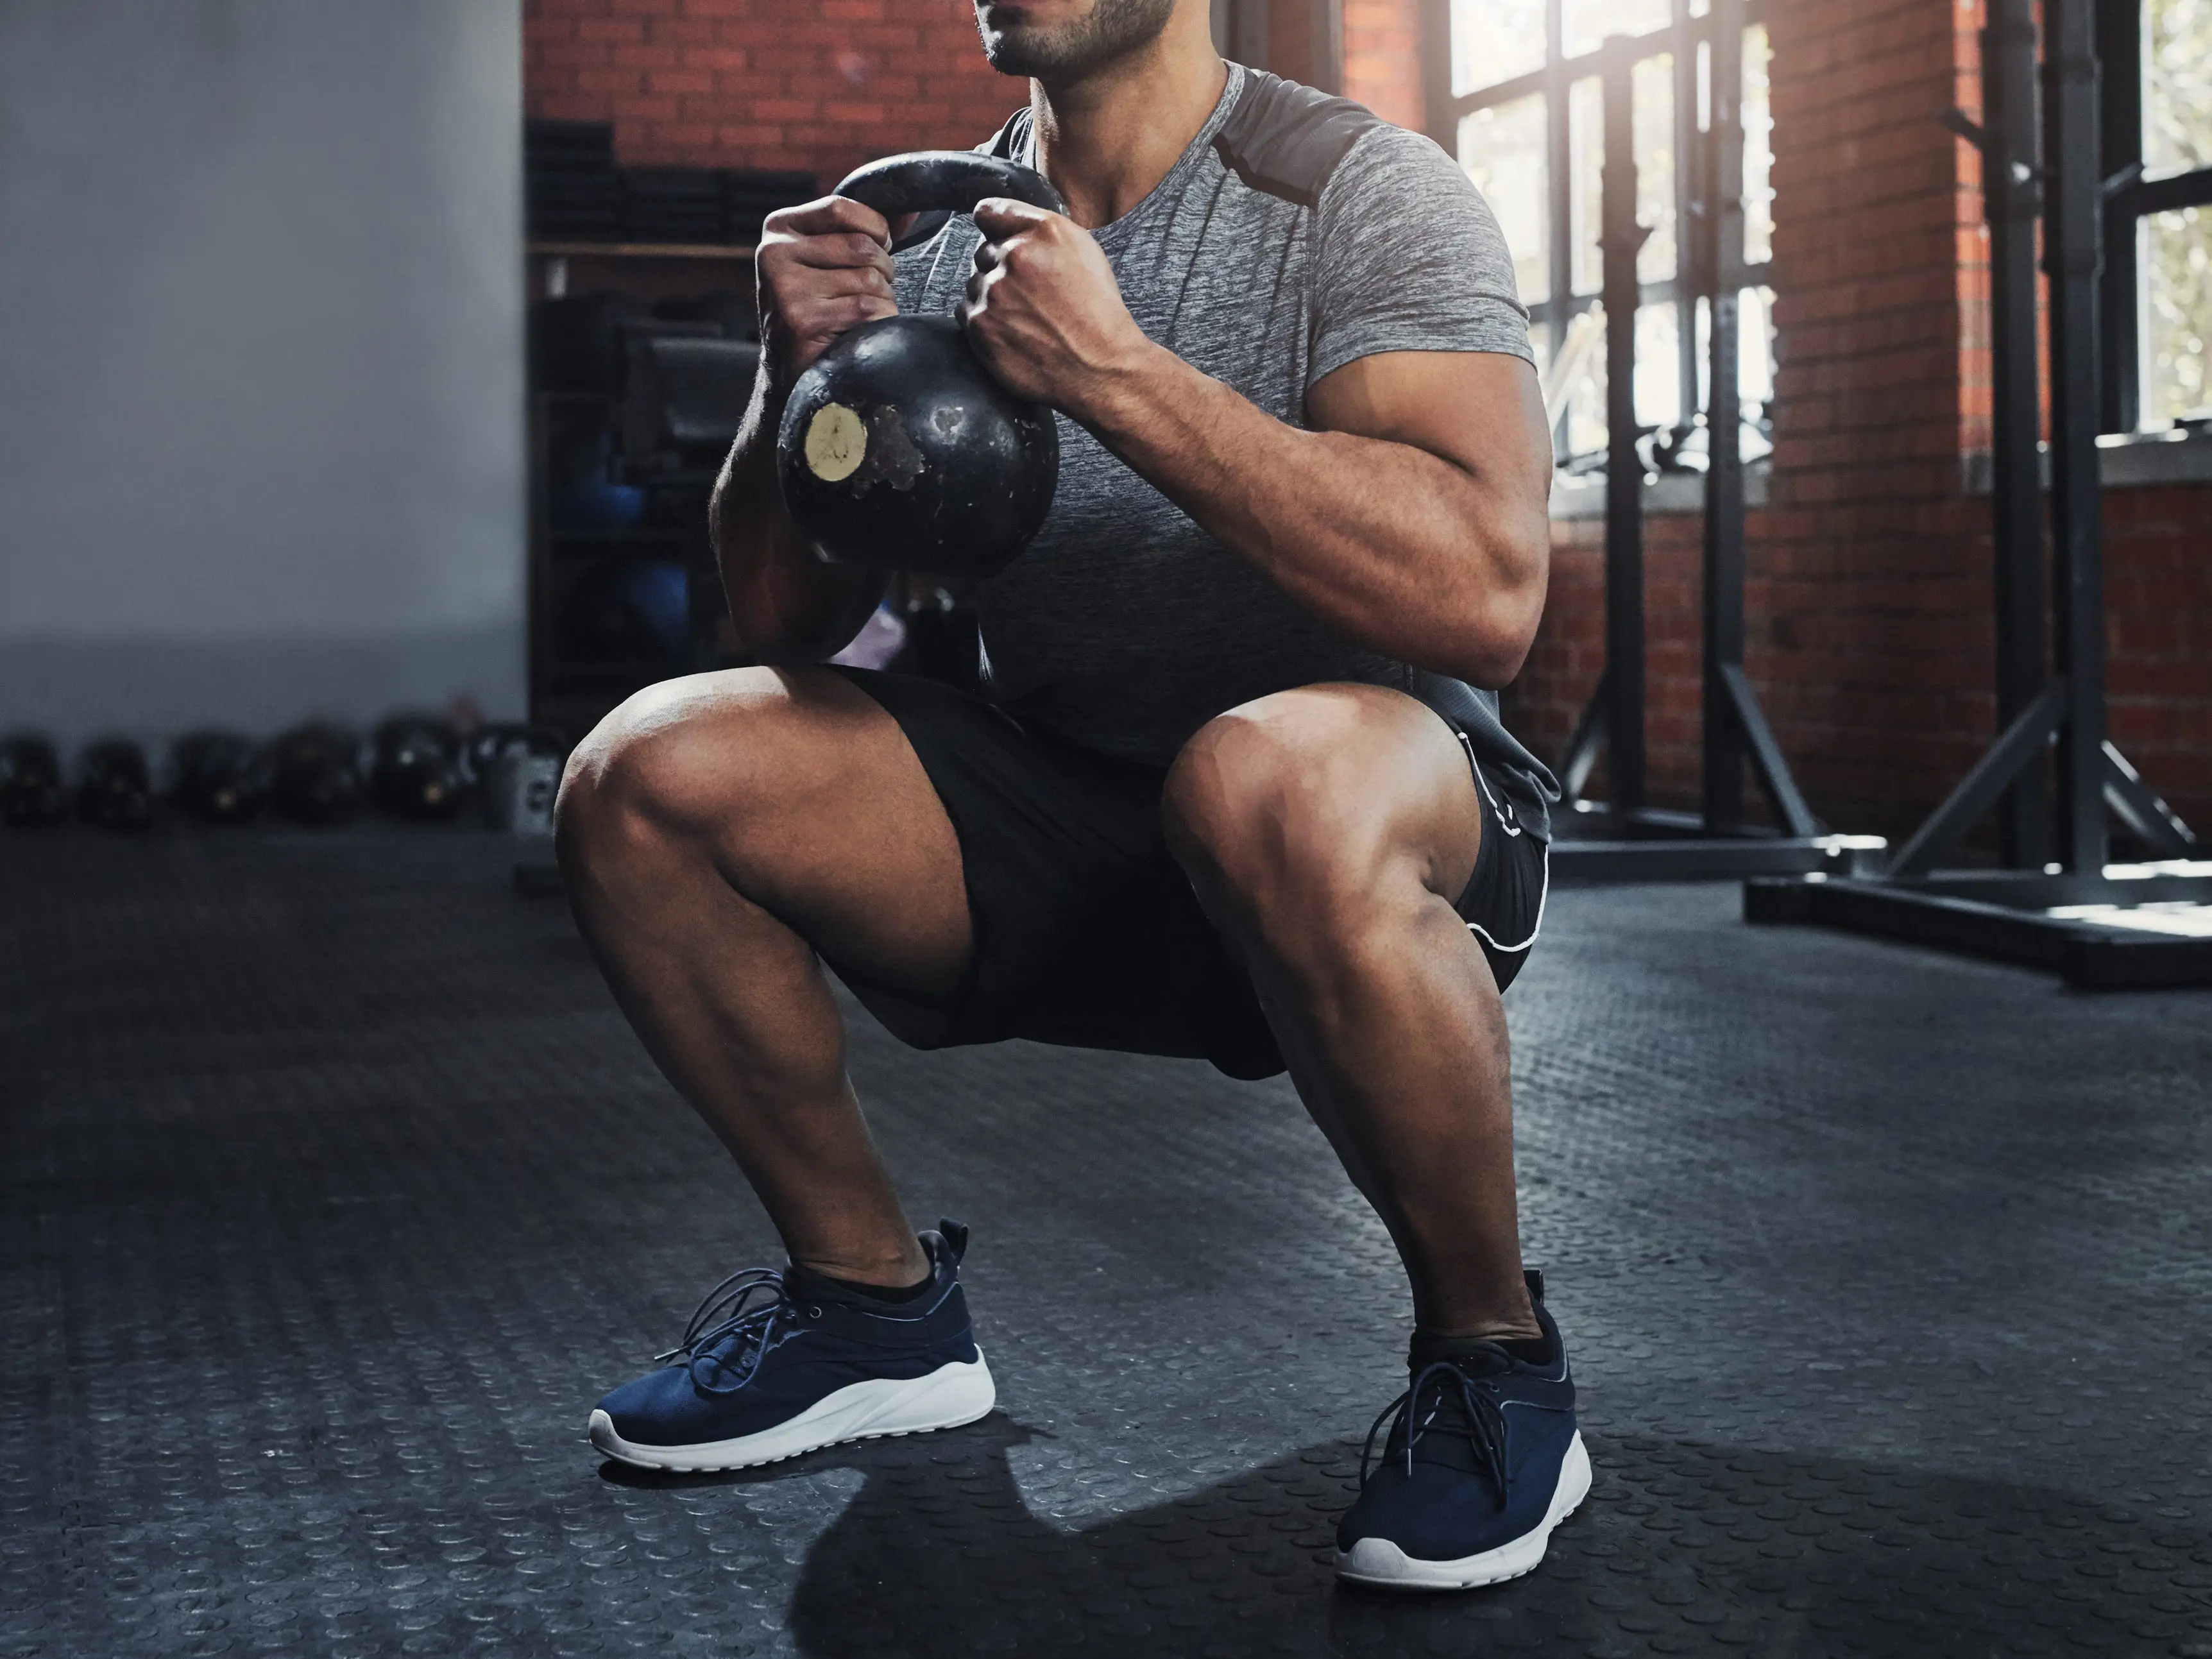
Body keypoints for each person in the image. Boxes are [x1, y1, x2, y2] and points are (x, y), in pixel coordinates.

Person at [556, 0, 1582, 1592]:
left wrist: (1117, 377)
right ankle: (872, 1309)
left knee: (1262, 776)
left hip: (1373, 803)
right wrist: (794, 373)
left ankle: (1495, 1362)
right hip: (1080, 807)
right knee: (645, 772)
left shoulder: (1359, 190)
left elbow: (1482, 596)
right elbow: (783, 626)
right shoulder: (949, 231)